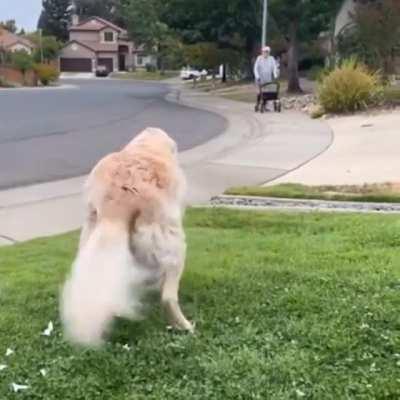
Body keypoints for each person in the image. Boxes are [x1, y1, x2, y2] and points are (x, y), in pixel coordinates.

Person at [254, 46, 279, 112]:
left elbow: (274, 67)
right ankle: (258, 104)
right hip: (260, 78)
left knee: (267, 93)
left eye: (267, 52)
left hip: (268, 78)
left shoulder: (271, 58)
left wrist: (275, 76)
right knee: (260, 92)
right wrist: (257, 76)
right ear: (262, 52)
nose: (265, 53)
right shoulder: (259, 58)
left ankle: (265, 106)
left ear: (269, 52)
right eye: (264, 52)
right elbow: (255, 68)